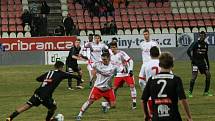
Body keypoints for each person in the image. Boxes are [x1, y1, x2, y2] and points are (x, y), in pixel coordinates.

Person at [6, 61, 81, 121]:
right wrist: (79, 78)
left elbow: (38, 79)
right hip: (45, 96)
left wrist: (46, 79)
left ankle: (10, 118)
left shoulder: (49, 72)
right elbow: (71, 75)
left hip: (38, 92)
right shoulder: (61, 74)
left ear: (55, 66)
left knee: (26, 106)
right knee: (53, 107)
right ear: (61, 67)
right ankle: (48, 119)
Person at [141, 52, 193, 121]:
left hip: (156, 117)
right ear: (172, 65)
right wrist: (189, 117)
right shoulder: (176, 79)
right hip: (173, 117)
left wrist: (146, 115)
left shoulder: (151, 80)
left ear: (159, 64)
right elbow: (182, 100)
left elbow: (143, 100)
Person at [76, 52, 118, 121]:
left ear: (109, 58)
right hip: (98, 88)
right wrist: (93, 72)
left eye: (105, 59)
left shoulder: (114, 66)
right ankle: (80, 115)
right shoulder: (97, 64)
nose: (103, 61)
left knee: (113, 105)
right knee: (90, 101)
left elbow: (120, 71)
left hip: (108, 89)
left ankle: (104, 104)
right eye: (102, 59)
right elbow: (90, 63)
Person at [109, 41, 137, 109]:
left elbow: (130, 61)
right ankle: (113, 104)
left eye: (114, 47)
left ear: (117, 47)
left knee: (132, 86)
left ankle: (134, 103)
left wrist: (130, 70)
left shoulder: (121, 53)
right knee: (114, 89)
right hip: (119, 74)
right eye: (112, 47)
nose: (113, 49)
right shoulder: (110, 55)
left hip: (127, 73)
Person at [187, 31, 213, 97]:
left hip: (202, 63)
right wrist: (191, 58)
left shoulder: (206, 45)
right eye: (201, 35)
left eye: (203, 36)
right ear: (199, 36)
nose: (202, 37)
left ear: (205, 36)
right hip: (195, 63)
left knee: (208, 74)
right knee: (194, 76)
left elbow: (206, 56)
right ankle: (190, 92)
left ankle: (206, 92)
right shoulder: (195, 43)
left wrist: (208, 64)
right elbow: (188, 51)